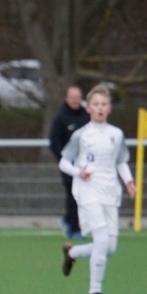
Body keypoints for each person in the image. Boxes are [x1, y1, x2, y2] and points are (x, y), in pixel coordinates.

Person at [58, 84, 136, 294]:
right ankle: (94, 292)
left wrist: (129, 182)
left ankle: (72, 253)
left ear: (109, 108)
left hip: (110, 192)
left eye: (104, 104)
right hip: (87, 191)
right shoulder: (81, 135)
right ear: (88, 108)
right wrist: (78, 172)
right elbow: (63, 162)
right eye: (96, 104)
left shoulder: (116, 134)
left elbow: (120, 161)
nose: (100, 108)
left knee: (110, 247)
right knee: (101, 240)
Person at [48, 86, 89, 240]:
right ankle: (74, 229)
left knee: (85, 196)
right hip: (69, 166)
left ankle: (68, 220)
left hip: (86, 164)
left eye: (77, 97)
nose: (75, 100)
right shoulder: (60, 118)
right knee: (73, 195)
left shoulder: (87, 116)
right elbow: (54, 142)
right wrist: (64, 159)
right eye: (72, 97)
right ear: (67, 98)